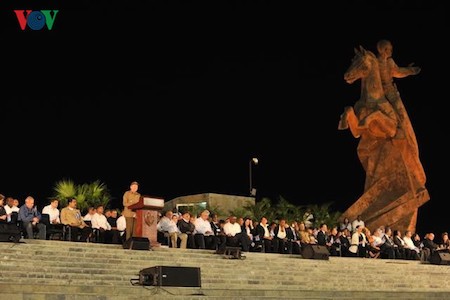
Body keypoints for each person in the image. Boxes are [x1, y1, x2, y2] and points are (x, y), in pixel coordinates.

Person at [376, 39, 426, 192]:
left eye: (390, 48)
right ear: (382, 49)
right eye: (388, 48)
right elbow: (397, 72)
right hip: (382, 93)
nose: (390, 51)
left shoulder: (388, 62)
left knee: (401, 115)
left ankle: (399, 126)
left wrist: (409, 70)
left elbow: (398, 71)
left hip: (389, 93)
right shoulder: (376, 62)